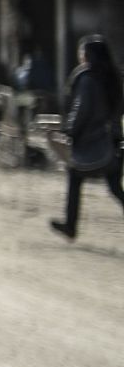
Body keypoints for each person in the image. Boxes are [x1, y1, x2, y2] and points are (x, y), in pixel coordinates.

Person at [50, 34, 124, 241]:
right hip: (115, 144)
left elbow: (81, 109)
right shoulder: (113, 78)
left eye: (82, 53)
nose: (80, 56)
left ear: (88, 55)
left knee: (74, 175)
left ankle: (70, 226)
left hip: (95, 144)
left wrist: (69, 131)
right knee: (115, 187)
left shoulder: (87, 80)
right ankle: (69, 226)